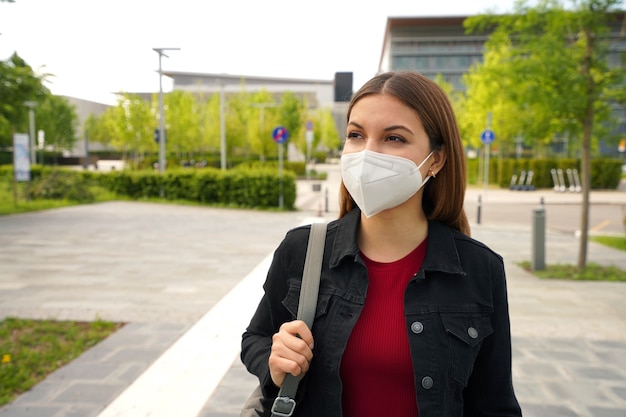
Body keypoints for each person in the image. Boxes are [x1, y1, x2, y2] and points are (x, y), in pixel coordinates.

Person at [241, 71, 522, 417]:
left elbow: (495, 404)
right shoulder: (302, 250)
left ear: (436, 159)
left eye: (394, 138)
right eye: (356, 135)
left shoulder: (480, 269)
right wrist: (274, 362)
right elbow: (255, 337)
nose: (367, 154)